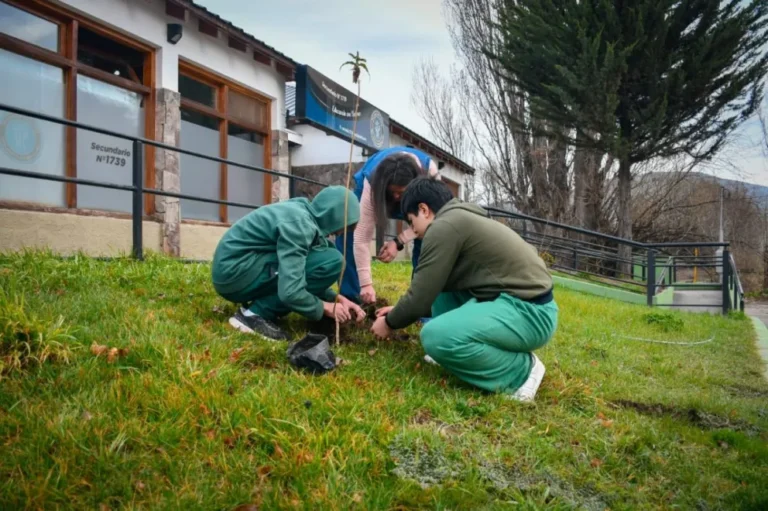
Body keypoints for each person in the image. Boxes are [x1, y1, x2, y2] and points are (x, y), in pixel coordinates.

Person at [371, 178, 558, 402]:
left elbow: (419, 298)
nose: (414, 231)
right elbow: (430, 289)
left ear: (424, 210)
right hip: (516, 303)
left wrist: (390, 322)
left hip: (530, 313)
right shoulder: (459, 218)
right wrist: (400, 310)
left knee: (434, 337)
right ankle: (451, 349)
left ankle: (522, 372)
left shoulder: (444, 226)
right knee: (441, 286)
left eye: (412, 222)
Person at [212, 185, 365, 341]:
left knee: (326, 254)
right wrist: (324, 307)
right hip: (233, 273)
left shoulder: (303, 214)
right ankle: (254, 316)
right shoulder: (300, 225)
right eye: (343, 227)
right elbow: (290, 290)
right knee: (332, 261)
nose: (339, 233)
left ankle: (258, 309)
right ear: (334, 215)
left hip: (237, 268)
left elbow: (302, 271)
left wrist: (337, 299)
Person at [336, 146, 439, 305]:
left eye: (401, 192)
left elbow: (431, 221)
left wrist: (398, 241)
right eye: (393, 192)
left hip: (419, 201)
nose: (397, 197)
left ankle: (421, 302)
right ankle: (352, 299)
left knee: (429, 239)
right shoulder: (372, 182)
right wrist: (366, 284)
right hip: (376, 189)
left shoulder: (430, 174)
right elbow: (361, 238)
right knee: (347, 230)